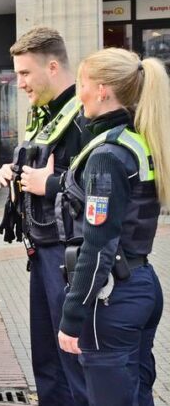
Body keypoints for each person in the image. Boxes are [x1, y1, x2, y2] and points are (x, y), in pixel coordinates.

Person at [56, 48, 168, 406]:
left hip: (111, 298)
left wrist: (72, 315)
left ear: (103, 89)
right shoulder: (138, 141)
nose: (79, 94)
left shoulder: (107, 154)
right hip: (141, 285)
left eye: (82, 84)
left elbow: (98, 244)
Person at [0, 27, 89, 405]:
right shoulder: (46, 114)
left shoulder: (84, 116)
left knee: (74, 363)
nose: (19, 83)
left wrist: (47, 183)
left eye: (24, 74)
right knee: (47, 362)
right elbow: (41, 171)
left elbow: (102, 187)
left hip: (71, 256)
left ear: (52, 67)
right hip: (43, 253)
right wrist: (15, 173)